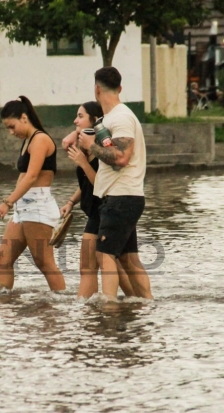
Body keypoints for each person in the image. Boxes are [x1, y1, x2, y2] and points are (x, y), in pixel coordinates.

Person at [77, 67, 153, 300]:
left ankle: (109, 305)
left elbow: (121, 158)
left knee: (104, 255)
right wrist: (78, 136)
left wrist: (90, 146)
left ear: (96, 89)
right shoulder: (109, 119)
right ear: (119, 88)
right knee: (129, 259)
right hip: (121, 197)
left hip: (121, 197)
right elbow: (102, 139)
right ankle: (147, 304)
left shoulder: (121, 117)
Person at [59, 101, 135, 299]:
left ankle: (85, 305)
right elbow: (84, 183)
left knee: (94, 264)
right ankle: (134, 301)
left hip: (106, 210)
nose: (75, 120)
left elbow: (101, 185)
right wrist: (70, 202)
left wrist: (83, 163)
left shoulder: (102, 149)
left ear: (94, 121)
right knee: (111, 264)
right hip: (95, 212)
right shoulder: (85, 147)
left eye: (80, 116)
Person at [0, 96, 65, 292]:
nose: (11, 132)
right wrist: (14, 203)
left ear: (24, 118)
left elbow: (32, 176)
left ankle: (62, 304)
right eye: (8, 128)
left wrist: (7, 203)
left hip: (38, 205)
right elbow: (24, 176)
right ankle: (4, 303)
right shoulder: (27, 141)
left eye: (12, 126)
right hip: (23, 206)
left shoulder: (40, 139)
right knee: (3, 258)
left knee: (44, 262)